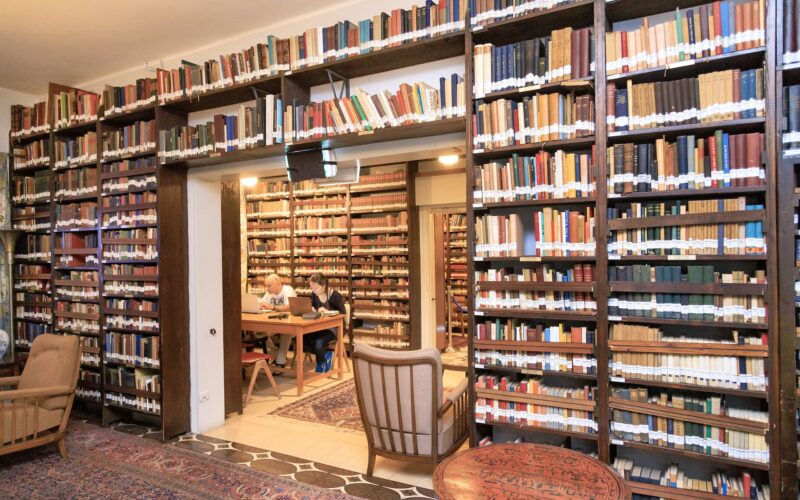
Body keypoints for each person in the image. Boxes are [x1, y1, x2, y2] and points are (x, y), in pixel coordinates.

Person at [306, 273, 346, 373]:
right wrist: (311, 310)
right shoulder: (314, 295)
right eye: (312, 288)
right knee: (302, 339)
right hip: (318, 326)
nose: (314, 291)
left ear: (324, 285)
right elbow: (313, 309)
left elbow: (343, 314)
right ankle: (325, 355)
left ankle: (321, 362)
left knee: (318, 342)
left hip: (335, 328)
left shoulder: (335, 295)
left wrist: (327, 312)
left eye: (316, 288)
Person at [258, 273, 295, 367]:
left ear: (278, 284)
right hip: (273, 323)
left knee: (286, 331)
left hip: (290, 323)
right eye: (266, 286)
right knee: (260, 333)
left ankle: (280, 360)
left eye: (269, 286)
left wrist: (273, 307)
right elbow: (262, 303)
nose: (267, 289)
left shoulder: (288, 290)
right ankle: (275, 353)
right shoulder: (268, 293)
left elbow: (290, 306)